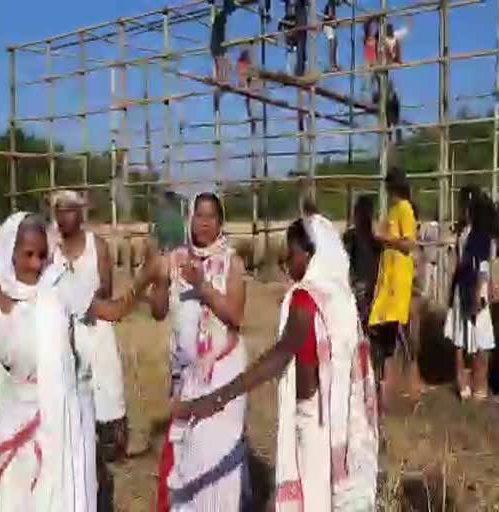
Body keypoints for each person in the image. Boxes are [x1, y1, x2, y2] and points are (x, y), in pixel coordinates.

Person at [0, 212, 157, 511]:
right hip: (16, 425)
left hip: (65, 422)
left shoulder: (59, 286)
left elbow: (112, 311)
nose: (36, 264)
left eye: (42, 255)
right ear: (9, 252)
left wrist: (145, 278)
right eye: (28, 255)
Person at [172, 213, 378, 511]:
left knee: (312, 498)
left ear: (310, 255)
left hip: (313, 424)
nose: (285, 260)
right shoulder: (339, 297)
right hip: (338, 418)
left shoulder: (305, 300)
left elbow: (279, 356)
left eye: (291, 253)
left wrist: (214, 399)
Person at [151, 192, 250, 512]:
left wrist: (203, 285)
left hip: (224, 376)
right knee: (187, 455)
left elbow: (235, 316)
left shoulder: (231, 262)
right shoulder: (176, 258)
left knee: (216, 457)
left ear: (220, 222)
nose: (204, 223)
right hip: (187, 377)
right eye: (198, 215)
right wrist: (161, 281)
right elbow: (157, 310)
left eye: (211, 217)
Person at [50, 190, 128, 512]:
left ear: (80, 214)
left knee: (104, 406)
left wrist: (82, 295)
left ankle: (101, 477)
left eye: (70, 210)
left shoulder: (97, 246)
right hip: (63, 337)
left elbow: (106, 291)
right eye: (60, 211)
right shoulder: (50, 247)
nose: (65, 216)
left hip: (97, 331)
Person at [444, 187, 499, 400]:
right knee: (469, 337)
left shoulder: (477, 234)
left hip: (472, 286)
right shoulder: (469, 233)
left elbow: (483, 265)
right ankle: (471, 385)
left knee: (476, 337)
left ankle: (474, 384)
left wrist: (481, 289)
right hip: (468, 285)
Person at [368, 168, 417, 409]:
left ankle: (404, 385)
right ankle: (384, 387)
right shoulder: (393, 210)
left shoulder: (405, 209)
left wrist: (384, 239)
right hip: (388, 280)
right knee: (382, 331)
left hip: (397, 281)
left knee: (392, 331)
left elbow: (408, 243)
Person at [343, 195, 381, 332]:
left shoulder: (351, 237)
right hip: (372, 287)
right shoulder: (375, 240)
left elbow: (345, 261)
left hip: (357, 286)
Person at [362, 19, 378, 97]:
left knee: (374, 77)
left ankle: (374, 93)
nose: (372, 30)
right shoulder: (366, 38)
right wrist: (371, 20)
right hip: (368, 60)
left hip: (374, 59)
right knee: (366, 77)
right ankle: (364, 94)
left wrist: (376, 21)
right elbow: (366, 26)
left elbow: (379, 30)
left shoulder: (375, 38)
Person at [323, 0, 339, 71]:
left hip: (329, 26)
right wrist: (335, 19)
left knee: (335, 42)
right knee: (332, 43)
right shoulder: (331, 2)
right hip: (327, 26)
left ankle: (334, 64)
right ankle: (332, 65)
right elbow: (330, 14)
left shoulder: (332, 3)